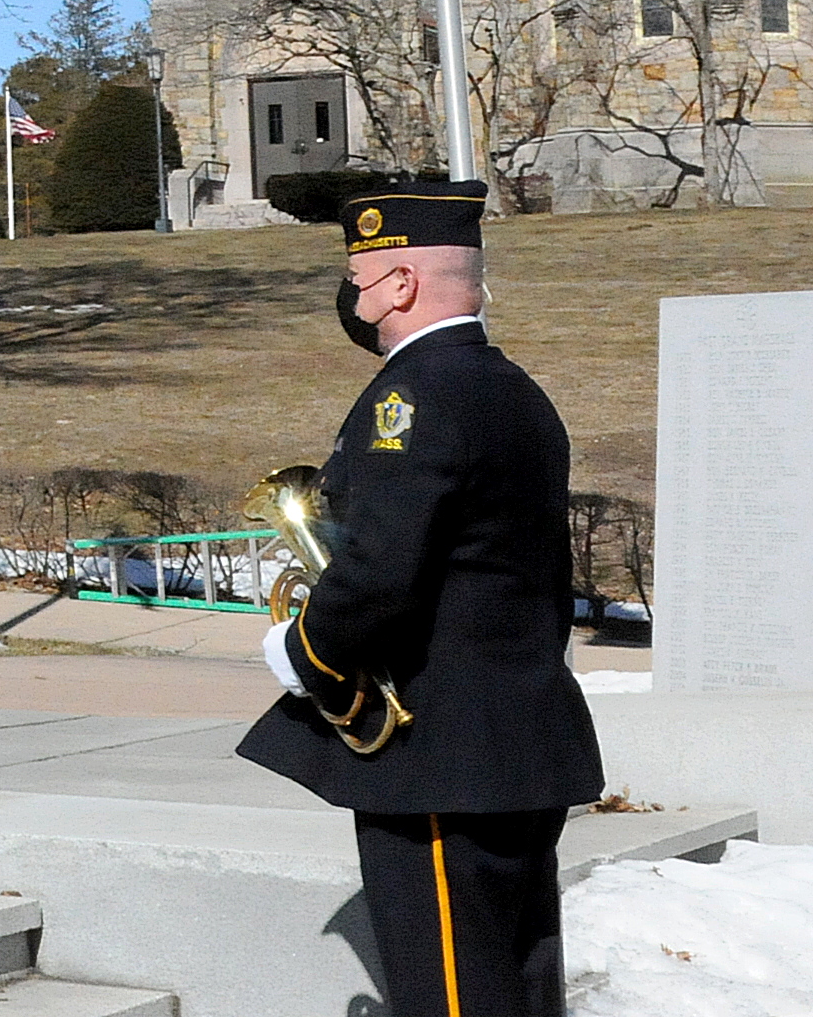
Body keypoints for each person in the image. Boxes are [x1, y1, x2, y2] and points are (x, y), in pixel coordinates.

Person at [238, 180, 602, 1017]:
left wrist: (301, 650)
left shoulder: (413, 397)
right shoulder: (513, 389)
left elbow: (378, 570)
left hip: (437, 749)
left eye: (362, 279)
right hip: (512, 737)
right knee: (518, 980)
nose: (355, 299)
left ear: (400, 284)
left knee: (449, 995)